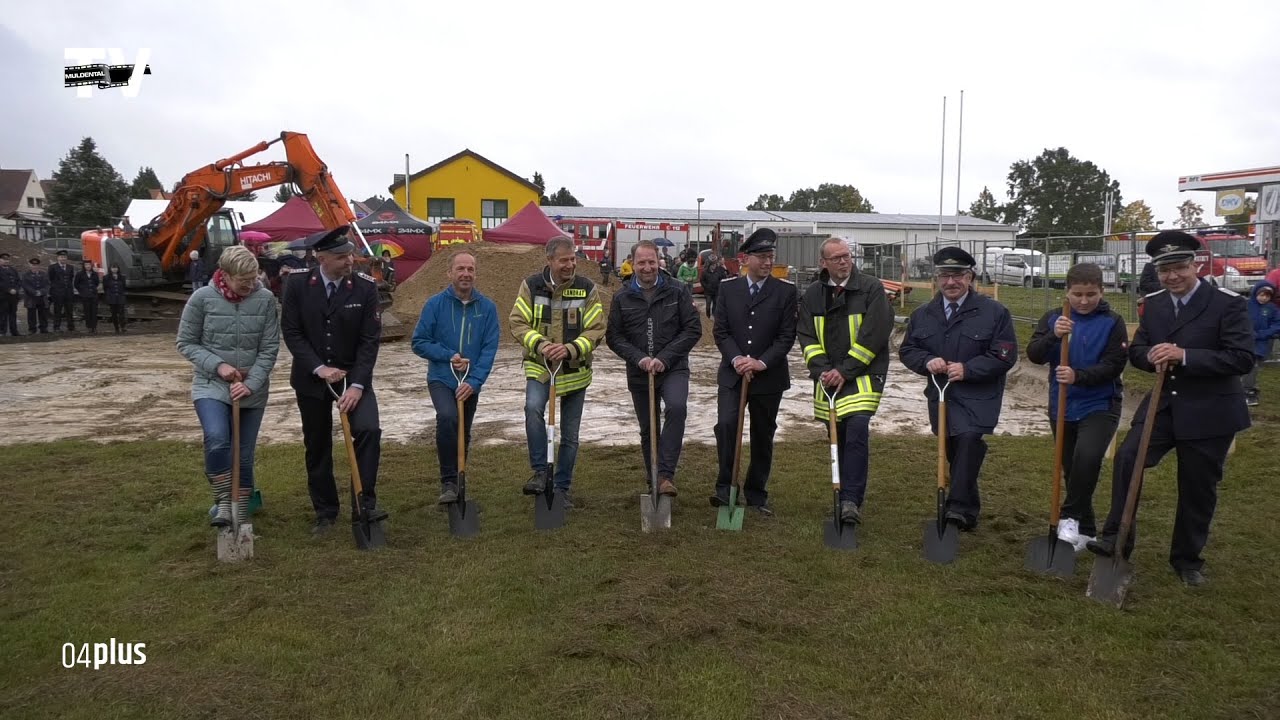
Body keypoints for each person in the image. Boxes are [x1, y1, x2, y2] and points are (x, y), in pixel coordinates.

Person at [1086, 231, 1255, 586]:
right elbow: (1138, 350)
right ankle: (1116, 539)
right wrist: (1150, 355)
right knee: (1128, 459)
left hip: (1211, 410)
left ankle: (1187, 559)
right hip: (1164, 405)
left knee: (1197, 486)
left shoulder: (1226, 303)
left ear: (1196, 265)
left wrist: (1185, 356)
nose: (1172, 276)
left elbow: (1241, 358)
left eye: (1179, 267)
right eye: (1165, 270)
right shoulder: (1155, 303)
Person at [899, 246, 1018, 531]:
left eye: (958, 276)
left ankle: (956, 509)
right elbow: (908, 350)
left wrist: (968, 369)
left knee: (968, 441)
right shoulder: (923, 314)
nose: (951, 282)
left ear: (970, 277)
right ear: (936, 278)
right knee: (956, 451)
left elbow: (1004, 355)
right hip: (942, 396)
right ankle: (967, 511)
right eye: (944, 275)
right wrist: (927, 361)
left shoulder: (994, 312)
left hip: (979, 396)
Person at [281, 226, 389, 535]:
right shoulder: (298, 285)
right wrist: (318, 368)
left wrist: (357, 385)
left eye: (350, 255)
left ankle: (364, 504)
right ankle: (325, 511)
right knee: (317, 444)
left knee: (368, 430)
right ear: (322, 258)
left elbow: (370, 340)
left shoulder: (365, 287)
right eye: (341, 257)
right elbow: (292, 332)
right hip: (312, 378)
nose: (349, 262)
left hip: (353, 376)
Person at [1025, 263, 1128, 551]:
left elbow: (1114, 364)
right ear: (1067, 292)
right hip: (1062, 403)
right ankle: (1087, 531)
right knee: (1072, 469)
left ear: (1102, 291)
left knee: (1088, 457)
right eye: (1077, 294)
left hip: (1100, 403)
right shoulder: (1053, 318)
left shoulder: (1113, 322)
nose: (1084, 301)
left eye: (1091, 294)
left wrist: (1078, 376)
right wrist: (1053, 335)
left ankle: (1069, 517)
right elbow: (1034, 355)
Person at [176, 246, 280, 527]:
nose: (250, 284)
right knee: (217, 438)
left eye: (253, 278)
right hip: (211, 383)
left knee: (243, 456)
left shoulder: (265, 300)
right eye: (243, 280)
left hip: (251, 388)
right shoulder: (202, 299)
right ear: (225, 275)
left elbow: (269, 348)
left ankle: (240, 515)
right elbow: (185, 342)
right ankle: (224, 501)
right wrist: (218, 365)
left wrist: (251, 383)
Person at [796, 237, 893, 524]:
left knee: (857, 429)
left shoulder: (871, 288)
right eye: (836, 257)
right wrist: (822, 370)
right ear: (823, 263)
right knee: (836, 434)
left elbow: (875, 333)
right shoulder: (813, 294)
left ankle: (851, 500)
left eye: (847, 256)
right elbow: (807, 336)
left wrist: (846, 370)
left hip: (863, 376)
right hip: (828, 379)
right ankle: (843, 493)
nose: (844, 261)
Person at [509, 236, 606, 508]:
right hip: (540, 367)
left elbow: (597, 328)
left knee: (570, 435)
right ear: (549, 260)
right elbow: (518, 322)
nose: (570, 265)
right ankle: (541, 472)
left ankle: (562, 488)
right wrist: (541, 345)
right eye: (564, 260)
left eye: (573, 259)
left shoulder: (586, 288)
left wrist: (570, 349)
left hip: (575, 370)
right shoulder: (531, 286)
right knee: (532, 408)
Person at [605, 239, 702, 497]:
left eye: (651, 262)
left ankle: (665, 475)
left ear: (659, 261)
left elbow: (692, 329)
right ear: (632, 263)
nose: (647, 267)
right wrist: (639, 358)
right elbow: (614, 336)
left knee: (676, 408)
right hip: (640, 371)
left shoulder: (677, 290)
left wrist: (665, 358)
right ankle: (654, 479)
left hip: (673, 367)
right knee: (649, 427)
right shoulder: (622, 297)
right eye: (641, 263)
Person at [711, 228, 798, 515]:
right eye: (761, 256)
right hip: (733, 374)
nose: (767, 262)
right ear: (745, 259)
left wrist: (761, 362)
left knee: (763, 434)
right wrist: (737, 359)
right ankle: (726, 488)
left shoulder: (785, 292)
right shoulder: (728, 288)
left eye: (770, 256)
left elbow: (786, 336)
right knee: (726, 426)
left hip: (768, 377)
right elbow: (721, 331)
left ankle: (756, 493)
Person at [410, 251, 500, 505]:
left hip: (470, 381)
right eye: (460, 269)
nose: (466, 274)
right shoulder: (434, 305)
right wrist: (448, 355)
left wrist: (474, 382)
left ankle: (460, 479)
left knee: (463, 429)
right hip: (441, 377)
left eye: (470, 269)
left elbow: (489, 349)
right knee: (448, 417)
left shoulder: (487, 308)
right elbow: (419, 342)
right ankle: (448, 481)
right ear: (449, 272)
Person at [1244, 282, 1280, 406]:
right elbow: (1239, 320)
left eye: (1267, 296)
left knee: (1253, 366)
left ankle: (1249, 391)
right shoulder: (1247, 305)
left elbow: (1277, 325)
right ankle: (1245, 389)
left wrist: (1263, 334)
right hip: (1245, 341)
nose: (1264, 298)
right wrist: (1248, 332)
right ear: (1255, 293)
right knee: (1247, 366)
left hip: (1262, 343)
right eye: (1261, 295)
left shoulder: (1272, 309)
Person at [48, 250, 76, 332]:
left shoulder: (70, 267)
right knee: (58, 310)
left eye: (64, 257)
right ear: (58, 258)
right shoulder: (52, 267)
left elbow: (70, 278)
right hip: (57, 293)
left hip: (68, 292)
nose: (63, 258)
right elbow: (51, 279)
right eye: (61, 257)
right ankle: (56, 327)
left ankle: (71, 326)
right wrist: (55, 290)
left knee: (69, 310)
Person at [21, 257, 49, 335]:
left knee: (43, 314)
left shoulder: (44, 274)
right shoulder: (25, 275)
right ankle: (32, 329)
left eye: (36, 265)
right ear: (30, 265)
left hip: (42, 297)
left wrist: (41, 292)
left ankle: (43, 328)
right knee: (31, 314)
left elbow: (47, 285)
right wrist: (34, 292)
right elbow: (25, 285)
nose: (35, 266)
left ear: (39, 265)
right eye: (33, 265)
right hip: (31, 297)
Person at [73, 260, 100, 334]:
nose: (88, 266)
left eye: (89, 265)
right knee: (87, 311)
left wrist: (93, 290)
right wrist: (82, 291)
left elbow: (97, 283)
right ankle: (89, 327)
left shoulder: (94, 274)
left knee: (94, 312)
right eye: (86, 265)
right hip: (85, 296)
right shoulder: (79, 274)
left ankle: (94, 327)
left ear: (91, 266)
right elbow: (76, 284)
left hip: (94, 295)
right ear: (84, 266)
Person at [700, 254, 728, 319]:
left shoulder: (719, 271)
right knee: (708, 305)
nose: (714, 266)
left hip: (716, 291)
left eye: (715, 265)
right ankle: (707, 317)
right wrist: (706, 287)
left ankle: (714, 316)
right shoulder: (705, 272)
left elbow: (723, 278)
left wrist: (719, 285)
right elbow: (702, 280)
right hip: (708, 292)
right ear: (709, 265)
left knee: (715, 304)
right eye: (712, 265)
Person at [103, 263, 128, 334]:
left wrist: (122, 295)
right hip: (112, 298)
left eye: (116, 268)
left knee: (121, 313)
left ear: (118, 268)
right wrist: (108, 296)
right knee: (114, 314)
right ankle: (116, 328)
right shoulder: (106, 277)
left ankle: (123, 327)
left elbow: (124, 287)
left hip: (120, 297)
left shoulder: (122, 277)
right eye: (113, 268)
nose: (114, 269)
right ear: (110, 269)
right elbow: (105, 288)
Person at [0, 253, 20, 337]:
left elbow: (18, 281)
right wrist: (8, 290)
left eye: (7, 259)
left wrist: (16, 289)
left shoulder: (13, 270)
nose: (6, 261)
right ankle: (2, 331)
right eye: (4, 259)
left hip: (13, 296)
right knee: (2, 314)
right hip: (2, 296)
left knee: (13, 314)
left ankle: (14, 331)